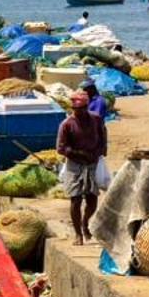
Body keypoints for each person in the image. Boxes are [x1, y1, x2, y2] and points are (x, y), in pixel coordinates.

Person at [56, 90, 107, 246]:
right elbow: (61, 148)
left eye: (82, 109)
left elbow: (103, 139)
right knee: (76, 199)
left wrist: (97, 153)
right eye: (76, 109)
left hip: (92, 162)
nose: (79, 112)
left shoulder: (96, 120)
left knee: (92, 199)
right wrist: (79, 154)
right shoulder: (67, 125)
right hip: (75, 165)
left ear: (86, 107)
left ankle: (85, 223)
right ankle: (78, 233)